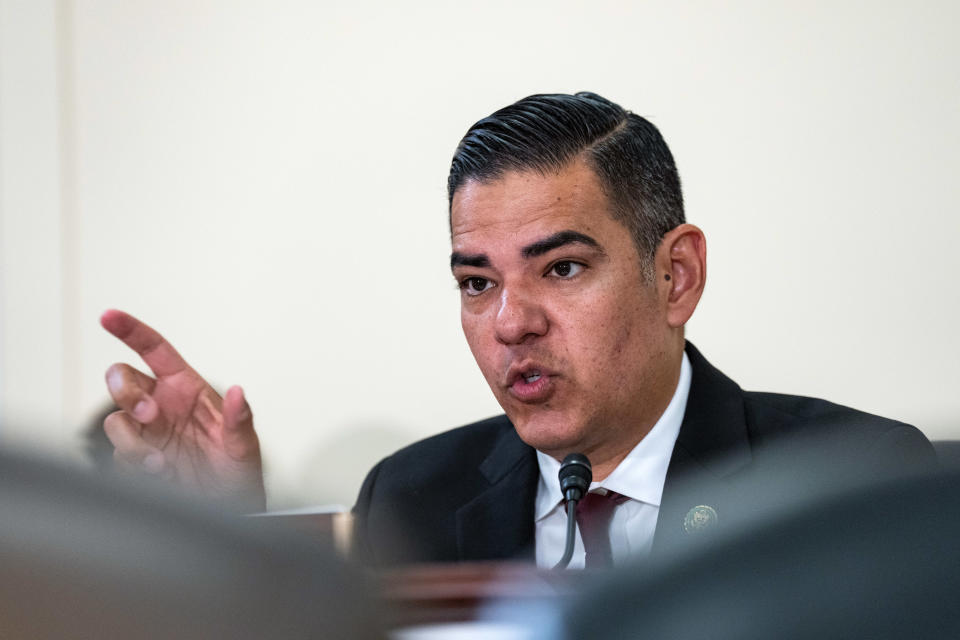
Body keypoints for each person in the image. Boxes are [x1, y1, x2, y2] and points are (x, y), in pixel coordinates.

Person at [102, 92, 936, 569]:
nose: (510, 323)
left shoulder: (856, 484)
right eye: (477, 282)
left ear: (674, 276)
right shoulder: (411, 500)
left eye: (563, 268)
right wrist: (220, 528)